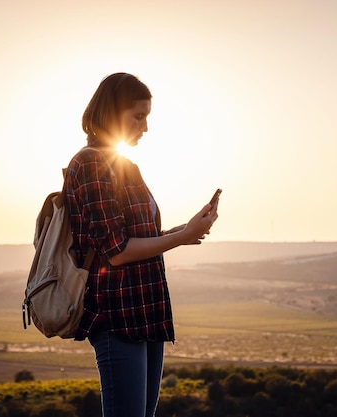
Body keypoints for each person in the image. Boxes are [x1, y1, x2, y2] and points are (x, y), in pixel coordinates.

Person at [64, 72, 219, 417]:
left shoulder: (125, 165)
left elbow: (142, 237)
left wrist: (187, 229)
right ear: (110, 113)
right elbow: (116, 251)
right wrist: (180, 238)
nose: (145, 127)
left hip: (147, 310)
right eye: (138, 117)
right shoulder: (90, 163)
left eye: (146, 117)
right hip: (117, 314)